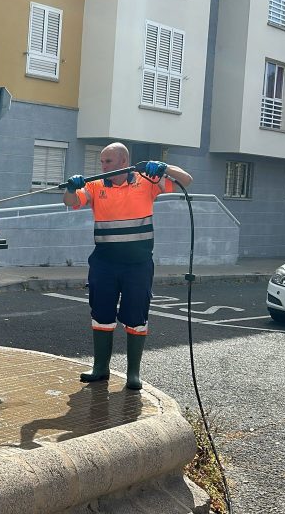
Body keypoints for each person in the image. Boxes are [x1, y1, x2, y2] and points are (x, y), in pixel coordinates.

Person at [62, 142, 192, 390]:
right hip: (104, 262)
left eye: (107, 162)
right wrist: (71, 187)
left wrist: (165, 167)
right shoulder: (95, 185)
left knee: (136, 316)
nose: (103, 166)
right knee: (101, 314)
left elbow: (186, 180)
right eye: (101, 162)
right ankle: (101, 368)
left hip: (138, 264)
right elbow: (70, 202)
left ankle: (133, 373)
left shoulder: (147, 181)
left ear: (123, 161)